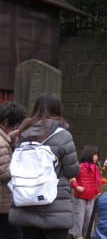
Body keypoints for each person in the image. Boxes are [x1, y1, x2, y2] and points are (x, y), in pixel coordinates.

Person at [8, 92, 80, 239]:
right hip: (55, 205)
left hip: (27, 201)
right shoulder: (63, 135)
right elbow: (72, 171)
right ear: (57, 109)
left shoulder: (23, 133)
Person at [0, 102, 26, 239]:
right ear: (6, 122)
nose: (16, 127)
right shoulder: (2, 144)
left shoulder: (4, 140)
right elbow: (5, 174)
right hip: (3, 203)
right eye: (15, 124)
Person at [69, 146, 101, 239]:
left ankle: (88, 235)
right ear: (89, 155)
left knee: (89, 217)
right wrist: (77, 187)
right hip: (80, 197)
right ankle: (77, 235)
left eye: (97, 155)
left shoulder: (95, 168)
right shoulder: (80, 166)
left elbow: (95, 181)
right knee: (79, 217)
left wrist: (97, 190)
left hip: (91, 196)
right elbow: (72, 178)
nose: (96, 157)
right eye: (94, 155)